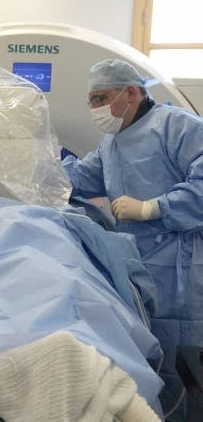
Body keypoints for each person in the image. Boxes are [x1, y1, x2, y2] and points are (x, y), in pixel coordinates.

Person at [62, 58, 203, 420]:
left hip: (182, 278)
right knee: (151, 370)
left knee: (186, 371)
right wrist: (23, 174)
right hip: (139, 278)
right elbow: (76, 178)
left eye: (101, 98)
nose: (95, 109)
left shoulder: (176, 126)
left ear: (131, 91)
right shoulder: (112, 143)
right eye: (90, 101)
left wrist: (152, 208)